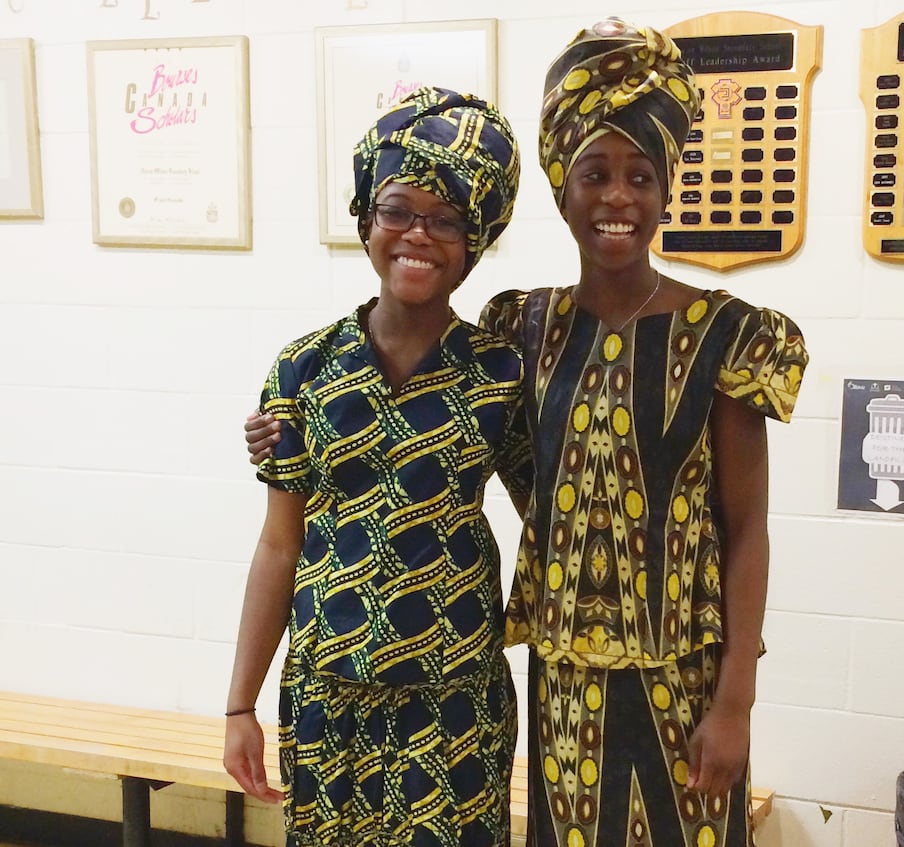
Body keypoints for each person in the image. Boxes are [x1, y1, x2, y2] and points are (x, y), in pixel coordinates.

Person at [245, 17, 808, 847]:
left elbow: (748, 527)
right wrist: (284, 431)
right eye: (594, 174)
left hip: (686, 679)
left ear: (665, 189)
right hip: (562, 678)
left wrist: (736, 700)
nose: (617, 197)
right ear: (561, 189)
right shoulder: (524, 329)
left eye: (641, 175)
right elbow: (439, 415)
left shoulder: (727, 336)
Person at [223, 86, 530, 847]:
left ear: (476, 238)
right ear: (366, 219)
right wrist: (240, 705)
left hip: (453, 705)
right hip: (331, 700)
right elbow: (278, 544)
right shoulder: (304, 368)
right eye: (398, 209)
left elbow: (557, 518)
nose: (418, 235)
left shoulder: (500, 373)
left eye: (448, 219)